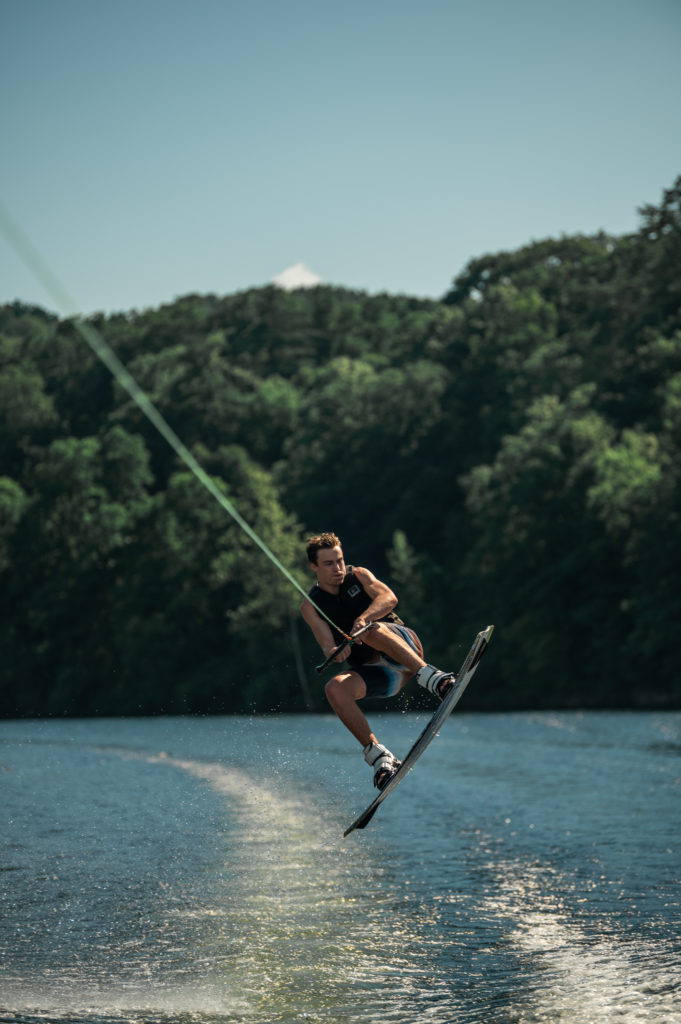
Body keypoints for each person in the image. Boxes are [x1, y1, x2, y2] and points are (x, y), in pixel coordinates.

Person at [301, 532, 457, 791]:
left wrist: (363, 620)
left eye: (339, 560)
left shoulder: (359, 575)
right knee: (334, 689)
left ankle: (434, 679)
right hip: (381, 676)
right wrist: (334, 652)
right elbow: (327, 645)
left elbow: (389, 598)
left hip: (405, 650)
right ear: (314, 566)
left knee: (370, 630)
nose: (338, 568)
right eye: (328, 563)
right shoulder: (310, 606)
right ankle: (378, 756)